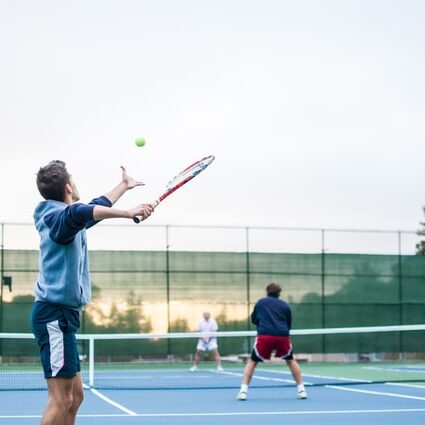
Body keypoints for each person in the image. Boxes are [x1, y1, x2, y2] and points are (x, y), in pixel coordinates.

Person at [31, 160, 154, 425]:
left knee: (76, 396)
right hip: (53, 316)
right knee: (61, 399)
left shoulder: (66, 219)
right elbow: (80, 212)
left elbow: (91, 209)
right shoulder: (57, 218)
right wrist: (127, 212)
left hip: (64, 317)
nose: (76, 184)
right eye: (73, 180)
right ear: (67, 187)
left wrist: (123, 186)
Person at [237, 282, 307, 401]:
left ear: (267, 291)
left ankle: (243, 391)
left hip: (265, 336)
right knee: (291, 360)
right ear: (279, 293)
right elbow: (288, 324)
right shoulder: (285, 305)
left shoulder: (260, 303)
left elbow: (254, 320)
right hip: (282, 336)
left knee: (252, 362)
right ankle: (301, 390)